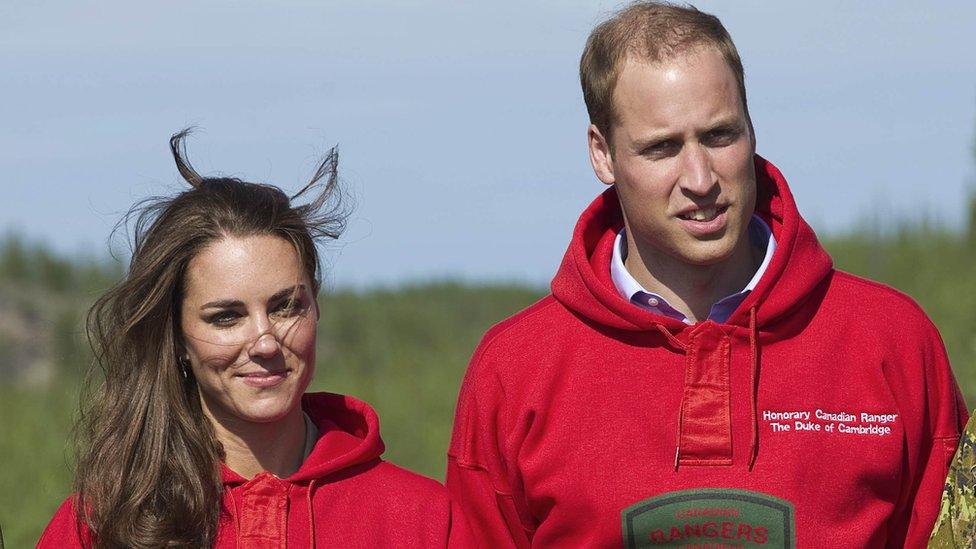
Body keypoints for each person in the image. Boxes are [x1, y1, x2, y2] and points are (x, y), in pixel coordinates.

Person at [446, 2, 967, 547]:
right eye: (662, 148)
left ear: (751, 127)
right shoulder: (513, 372)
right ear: (602, 154)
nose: (699, 178)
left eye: (719, 136)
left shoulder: (894, 342)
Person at [38, 130, 471, 548]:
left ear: (315, 305)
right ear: (176, 337)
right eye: (227, 317)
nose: (265, 343)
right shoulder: (102, 524)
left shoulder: (421, 518)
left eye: (286, 307)